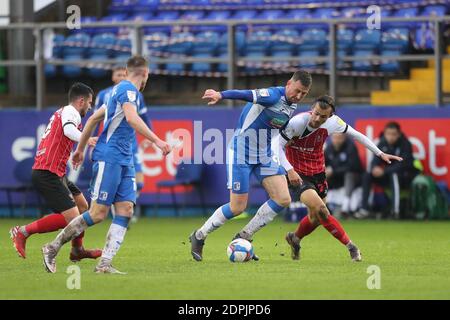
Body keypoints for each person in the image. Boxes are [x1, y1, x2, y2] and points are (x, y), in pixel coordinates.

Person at [41, 56, 172, 274]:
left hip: (124, 158)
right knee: (98, 213)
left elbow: (93, 119)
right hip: (109, 157)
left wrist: (80, 149)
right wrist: (157, 140)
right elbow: (131, 119)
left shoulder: (118, 92)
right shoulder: (129, 91)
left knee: (126, 209)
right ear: (145, 73)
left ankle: (104, 264)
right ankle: (52, 247)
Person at [189, 70, 312, 262]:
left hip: (263, 156)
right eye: (297, 90)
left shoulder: (292, 104)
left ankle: (243, 237)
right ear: (289, 83)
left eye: (303, 93)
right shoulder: (272, 95)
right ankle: (199, 236)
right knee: (237, 207)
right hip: (241, 153)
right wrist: (221, 95)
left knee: (283, 199)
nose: (298, 96)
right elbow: (246, 93)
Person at [278, 95, 403, 261]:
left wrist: (380, 153)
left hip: (318, 173)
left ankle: (295, 238)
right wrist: (289, 169)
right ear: (312, 109)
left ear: (330, 116)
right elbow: (276, 146)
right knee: (322, 211)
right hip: (298, 175)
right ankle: (351, 247)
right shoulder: (297, 122)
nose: (317, 119)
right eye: (315, 113)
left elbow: (357, 135)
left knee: (315, 218)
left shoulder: (334, 122)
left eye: (323, 116)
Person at [9, 82, 101, 262]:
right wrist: (87, 139)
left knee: (83, 207)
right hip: (47, 171)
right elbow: (68, 130)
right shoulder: (70, 111)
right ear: (81, 101)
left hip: (56, 171)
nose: (90, 107)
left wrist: (78, 151)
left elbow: (64, 134)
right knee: (73, 219)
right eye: (90, 103)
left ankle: (77, 250)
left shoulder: (65, 112)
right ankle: (22, 231)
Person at [93, 65, 152, 223]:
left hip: (130, 146)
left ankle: (125, 208)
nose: (120, 77)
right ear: (113, 77)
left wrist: (151, 137)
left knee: (139, 182)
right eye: (117, 74)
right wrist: (91, 140)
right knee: (99, 208)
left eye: (121, 74)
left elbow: (143, 118)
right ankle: (118, 210)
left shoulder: (136, 94)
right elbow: (95, 118)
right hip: (112, 146)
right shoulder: (105, 95)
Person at [355, 122, 418, 219]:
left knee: (394, 175)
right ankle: (364, 209)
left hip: (404, 178)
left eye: (394, 134)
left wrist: (384, 171)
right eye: (388, 134)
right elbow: (375, 159)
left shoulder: (406, 144)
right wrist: (374, 168)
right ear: (384, 134)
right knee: (367, 175)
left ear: (399, 134)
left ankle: (395, 211)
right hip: (386, 177)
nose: (391, 137)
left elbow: (403, 165)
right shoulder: (382, 143)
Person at [324, 133, 363, 217]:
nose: (337, 141)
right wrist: (326, 171)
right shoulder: (329, 148)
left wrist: (334, 171)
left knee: (349, 175)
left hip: (353, 179)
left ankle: (345, 205)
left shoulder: (350, 147)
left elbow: (353, 166)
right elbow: (323, 163)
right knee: (321, 175)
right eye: (335, 138)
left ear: (344, 138)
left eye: (340, 138)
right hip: (335, 180)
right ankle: (323, 204)